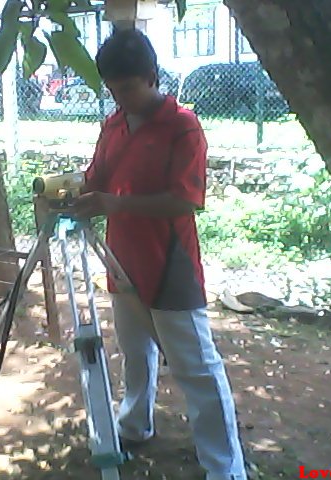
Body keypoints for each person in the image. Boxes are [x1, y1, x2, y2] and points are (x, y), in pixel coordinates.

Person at [72, 28, 248, 480]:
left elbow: (185, 200)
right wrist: (71, 193)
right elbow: (96, 178)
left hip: (169, 262)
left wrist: (114, 204)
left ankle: (225, 468)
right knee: (134, 353)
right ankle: (135, 424)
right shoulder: (113, 125)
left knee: (197, 369)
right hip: (122, 258)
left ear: (152, 77)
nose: (120, 97)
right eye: (112, 89)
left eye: (127, 87)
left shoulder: (182, 125)